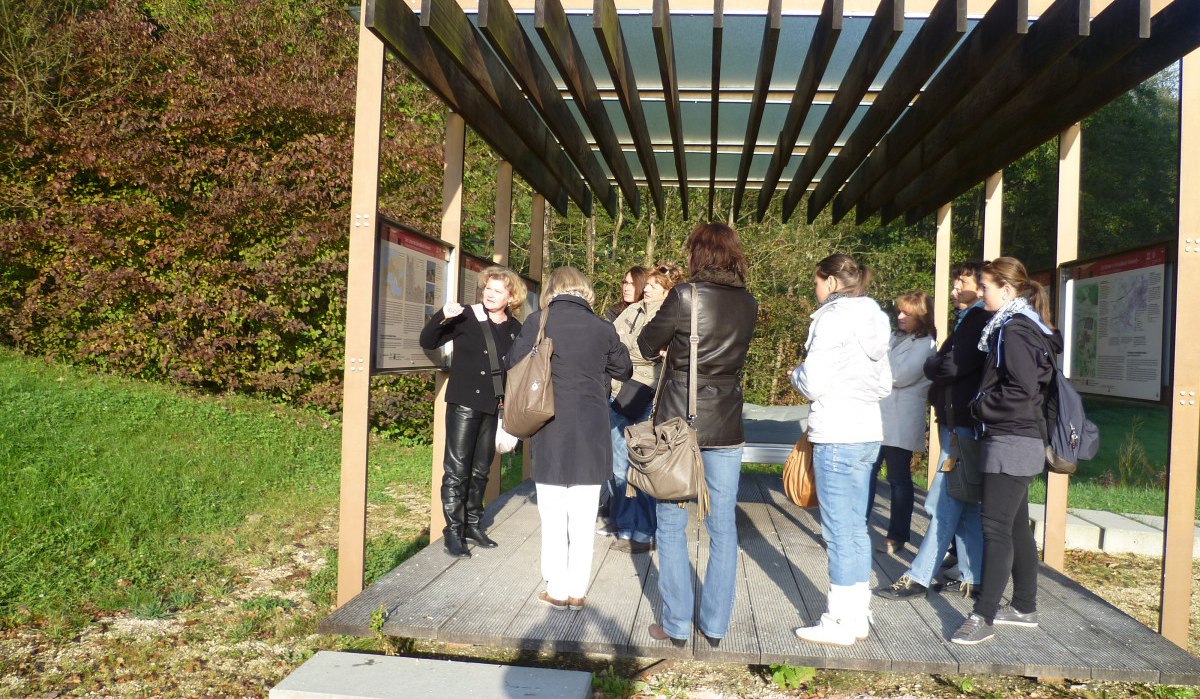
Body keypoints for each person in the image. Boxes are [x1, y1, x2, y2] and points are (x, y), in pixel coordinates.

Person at [638, 223, 757, 646]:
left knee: (671, 525)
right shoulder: (749, 302)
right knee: (722, 527)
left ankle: (674, 626)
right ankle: (715, 625)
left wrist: (672, 348)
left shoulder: (685, 295)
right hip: (726, 421)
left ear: (698, 254)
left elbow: (647, 343)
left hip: (677, 425)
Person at [506, 267, 632, 610]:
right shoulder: (602, 327)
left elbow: (513, 363)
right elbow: (624, 370)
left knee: (553, 515)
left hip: (549, 426)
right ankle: (577, 590)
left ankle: (556, 589)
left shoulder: (538, 322)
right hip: (592, 429)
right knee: (583, 516)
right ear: (584, 291)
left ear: (552, 290)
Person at [952, 256, 1061, 645]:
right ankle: (1025, 607)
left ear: (1007, 289)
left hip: (1012, 439)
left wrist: (979, 405)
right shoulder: (1022, 325)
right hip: (1019, 438)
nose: (978, 293)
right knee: (1015, 527)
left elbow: (1022, 388)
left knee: (994, 528)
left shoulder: (1014, 331)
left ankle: (982, 617)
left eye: (984, 287)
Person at [791, 253, 892, 646]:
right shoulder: (874, 318)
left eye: (817, 282)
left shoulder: (832, 319)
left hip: (836, 432)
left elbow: (813, 382)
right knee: (855, 528)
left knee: (837, 532)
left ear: (832, 282)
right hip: (868, 432)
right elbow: (885, 385)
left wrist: (794, 374)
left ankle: (840, 620)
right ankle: (857, 613)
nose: (815, 290)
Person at [876, 263, 991, 601]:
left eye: (963, 283)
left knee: (941, 501)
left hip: (964, 424)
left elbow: (947, 365)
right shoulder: (968, 321)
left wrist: (935, 365)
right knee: (965, 502)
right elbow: (943, 363)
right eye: (955, 283)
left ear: (983, 289)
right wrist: (939, 365)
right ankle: (973, 576)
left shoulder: (979, 321)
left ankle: (920, 576)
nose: (955, 290)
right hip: (956, 421)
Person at [419, 266, 526, 558]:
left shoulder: (517, 329)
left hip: (494, 406)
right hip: (464, 402)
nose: (489, 294)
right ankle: (453, 531)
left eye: (497, 291)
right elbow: (428, 341)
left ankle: (473, 524)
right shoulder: (466, 315)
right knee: (457, 470)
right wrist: (443, 316)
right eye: (487, 289)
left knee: (481, 470)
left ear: (511, 296)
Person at [602, 263, 686, 553]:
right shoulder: (632, 310)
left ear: (666, 288)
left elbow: (645, 349)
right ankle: (625, 526)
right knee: (619, 464)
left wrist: (634, 350)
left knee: (646, 464)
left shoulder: (672, 314)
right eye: (646, 284)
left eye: (652, 285)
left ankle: (645, 530)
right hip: (618, 392)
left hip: (649, 396)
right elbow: (610, 341)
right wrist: (639, 351)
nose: (645, 288)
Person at [869, 291, 937, 554]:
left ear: (921, 316)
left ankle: (898, 535)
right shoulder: (894, 337)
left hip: (899, 421)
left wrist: (872, 370)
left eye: (906, 313)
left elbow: (899, 376)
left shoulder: (926, 345)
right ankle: (857, 527)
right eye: (899, 311)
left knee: (898, 479)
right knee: (867, 474)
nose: (899, 317)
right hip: (878, 418)